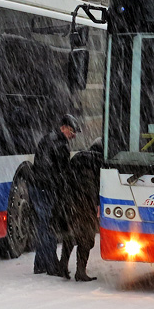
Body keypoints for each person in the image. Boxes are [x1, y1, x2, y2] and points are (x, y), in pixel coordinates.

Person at [30, 113, 79, 276]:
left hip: (39, 187)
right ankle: (51, 265)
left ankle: (40, 264)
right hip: (48, 189)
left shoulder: (48, 139)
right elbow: (61, 171)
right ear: (63, 128)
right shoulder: (59, 144)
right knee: (49, 227)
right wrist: (63, 188)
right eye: (71, 131)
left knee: (44, 226)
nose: (72, 135)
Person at [56, 138, 103, 282]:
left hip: (70, 201)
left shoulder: (78, 157)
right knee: (87, 238)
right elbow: (95, 185)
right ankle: (80, 271)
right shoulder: (100, 161)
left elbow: (65, 178)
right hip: (85, 203)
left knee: (70, 234)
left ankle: (62, 266)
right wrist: (96, 202)